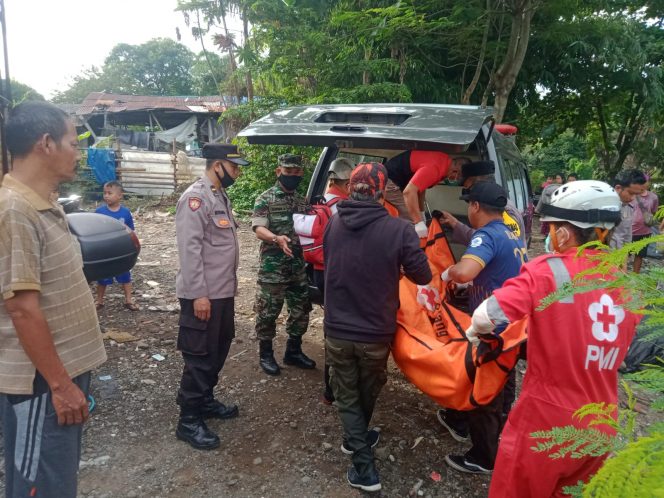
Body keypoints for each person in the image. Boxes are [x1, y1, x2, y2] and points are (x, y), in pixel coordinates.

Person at [464, 180, 640, 497]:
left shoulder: (550, 271)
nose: (548, 236)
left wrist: (477, 334)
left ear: (564, 232)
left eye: (551, 228)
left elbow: (485, 316)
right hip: (601, 421)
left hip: (547, 419)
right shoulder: (627, 285)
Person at [0, 101, 107, 498]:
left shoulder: (41, 202)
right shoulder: (15, 210)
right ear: (46, 143)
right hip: (40, 385)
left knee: (57, 481)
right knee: (37, 485)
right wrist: (61, 386)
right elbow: (22, 309)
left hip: (56, 375)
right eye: (71, 142)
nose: (77, 152)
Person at [323, 162, 432, 492]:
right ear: (382, 191)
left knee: (348, 391)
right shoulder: (398, 230)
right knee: (363, 389)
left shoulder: (335, 221)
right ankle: (363, 467)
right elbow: (423, 276)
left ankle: (355, 437)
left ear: (350, 187)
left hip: (338, 327)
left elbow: (332, 259)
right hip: (375, 330)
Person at [437, 182, 527, 475]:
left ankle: (484, 456)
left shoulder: (486, 236)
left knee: (486, 391)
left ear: (475, 206)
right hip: (514, 324)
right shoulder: (510, 232)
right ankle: (467, 422)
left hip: (495, 327)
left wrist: (447, 273)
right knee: (503, 382)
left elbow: (465, 271)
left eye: (469, 205)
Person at [174, 143, 247, 450]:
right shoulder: (195, 198)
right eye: (234, 167)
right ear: (218, 165)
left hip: (222, 292)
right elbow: (189, 251)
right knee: (200, 355)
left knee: (218, 348)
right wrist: (198, 295)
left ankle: (204, 400)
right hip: (204, 295)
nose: (237, 173)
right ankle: (188, 420)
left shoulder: (219, 194)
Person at [252, 154, 315, 376]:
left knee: (301, 311)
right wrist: (276, 239)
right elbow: (259, 228)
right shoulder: (265, 199)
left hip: (298, 267)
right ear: (279, 171)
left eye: (297, 173)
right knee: (268, 311)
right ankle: (266, 354)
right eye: (288, 172)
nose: (293, 176)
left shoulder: (302, 201)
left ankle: (293, 351)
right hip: (273, 268)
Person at [438, 160, 526, 245]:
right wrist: (454, 223)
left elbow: (494, 242)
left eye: (469, 188)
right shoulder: (497, 204)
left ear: (479, 185)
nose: (469, 192)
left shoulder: (504, 209)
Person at [383, 150, 452, 237]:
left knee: (413, 218)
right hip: (389, 180)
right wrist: (418, 222)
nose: (453, 179)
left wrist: (422, 213)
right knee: (411, 222)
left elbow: (420, 190)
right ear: (455, 172)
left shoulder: (442, 161)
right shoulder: (436, 167)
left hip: (393, 179)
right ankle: (411, 248)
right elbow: (408, 192)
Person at [95, 180, 139, 311]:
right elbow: (93, 231)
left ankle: (129, 300)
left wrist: (133, 247)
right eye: (105, 193)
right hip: (104, 251)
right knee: (102, 277)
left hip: (121, 251)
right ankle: (99, 301)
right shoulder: (99, 212)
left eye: (110, 193)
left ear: (120, 195)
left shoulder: (125, 213)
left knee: (125, 275)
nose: (106, 196)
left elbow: (130, 231)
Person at [610, 169, 646, 250]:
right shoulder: (600, 207)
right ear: (618, 188)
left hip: (618, 257)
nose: (633, 198)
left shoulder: (629, 208)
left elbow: (627, 237)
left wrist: (624, 259)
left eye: (636, 195)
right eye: (631, 193)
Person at [631, 176, 659, 273]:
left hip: (645, 231)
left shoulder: (654, 197)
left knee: (639, 255)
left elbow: (654, 212)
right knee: (624, 254)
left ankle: (635, 277)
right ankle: (621, 275)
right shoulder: (631, 194)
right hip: (630, 231)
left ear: (648, 183)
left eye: (645, 181)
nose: (643, 184)